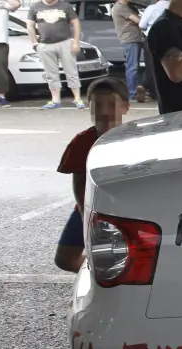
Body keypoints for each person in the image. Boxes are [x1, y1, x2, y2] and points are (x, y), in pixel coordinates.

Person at [54, 76, 130, 273]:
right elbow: (79, 181)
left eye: (111, 105)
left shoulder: (135, 139)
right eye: (97, 105)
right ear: (89, 107)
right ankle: (93, 275)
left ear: (125, 107)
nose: (104, 112)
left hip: (127, 211)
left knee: (117, 262)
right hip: (90, 208)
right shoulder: (81, 142)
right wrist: (84, 213)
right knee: (64, 259)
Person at [26, 0, 84, 110]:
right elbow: (30, 25)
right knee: (51, 74)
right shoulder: (35, 7)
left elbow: (76, 23)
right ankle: (55, 100)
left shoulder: (65, 6)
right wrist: (34, 43)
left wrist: (75, 42)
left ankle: (77, 98)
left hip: (65, 42)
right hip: (45, 44)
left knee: (71, 71)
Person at [110, 0, 147, 103]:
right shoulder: (121, 8)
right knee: (132, 67)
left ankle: (135, 91)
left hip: (134, 39)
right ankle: (132, 93)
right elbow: (139, 21)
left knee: (134, 67)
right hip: (130, 40)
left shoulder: (127, 6)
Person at [137, 0, 169, 101]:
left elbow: (142, 25)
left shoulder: (151, 8)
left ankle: (154, 93)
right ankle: (166, 92)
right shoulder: (174, 8)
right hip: (169, 40)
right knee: (166, 66)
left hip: (151, 38)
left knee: (151, 66)